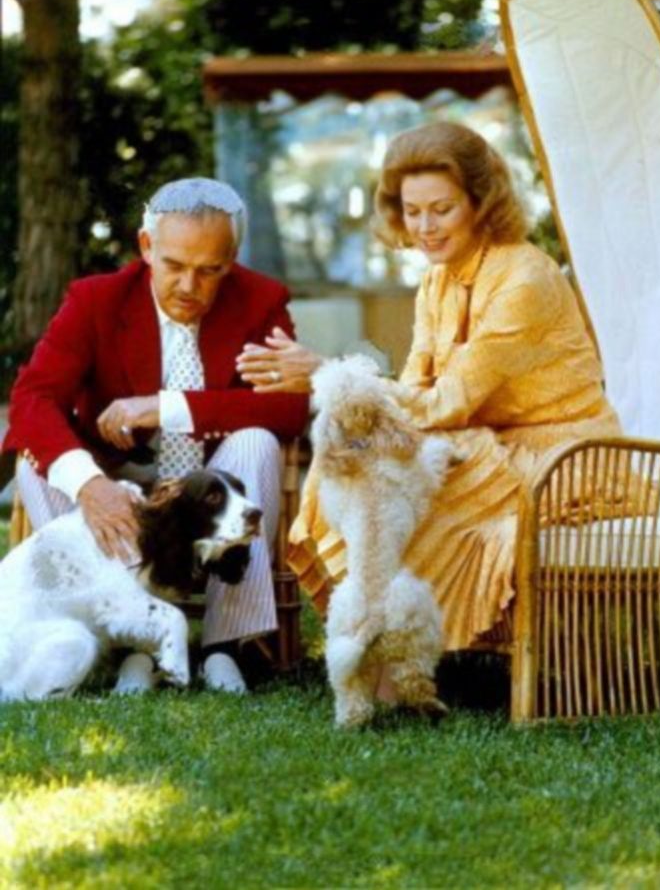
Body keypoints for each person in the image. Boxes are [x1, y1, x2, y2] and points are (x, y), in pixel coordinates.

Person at [235, 121, 622, 653]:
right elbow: (414, 392)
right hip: (483, 443)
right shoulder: (437, 280)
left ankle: (393, 646)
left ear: (481, 203)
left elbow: (445, 402)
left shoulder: (524, 279)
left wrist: (329, 373)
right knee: (355, 464)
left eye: (442, 209)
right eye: (412, 211)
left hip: (567, 456)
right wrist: (350, 404)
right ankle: (381, 640)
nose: (425, 227)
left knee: (397, 487)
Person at [3, 178, 309, 692]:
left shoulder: (260, 301)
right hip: (120, 479)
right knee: (39, 463)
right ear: (147, 247)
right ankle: (126, 640)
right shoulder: (95, 300)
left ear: (231, 259)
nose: (190, 286)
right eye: (175, 266)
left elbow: (287, 407)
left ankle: (222, 645)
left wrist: (165, 407)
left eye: (210, 270)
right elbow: (32, 399)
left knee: (258, 439)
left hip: (211, 486)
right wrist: (89, 486)